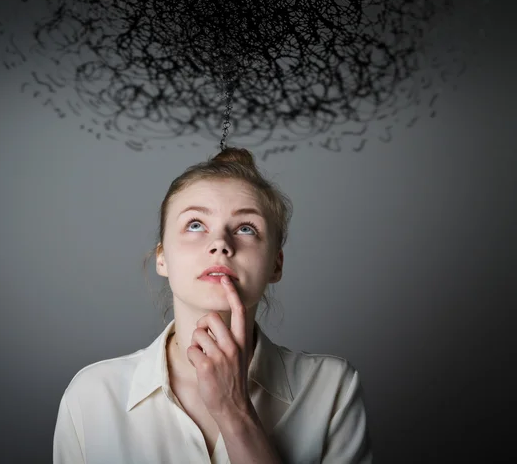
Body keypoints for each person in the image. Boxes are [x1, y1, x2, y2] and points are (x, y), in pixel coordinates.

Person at [53, 146, 372, 463]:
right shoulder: (92, 396)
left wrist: (235, 413)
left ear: (276, 265)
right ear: (162, 257)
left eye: (246, 228)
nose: (220, 243)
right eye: (195, 225)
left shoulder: (331, 387)